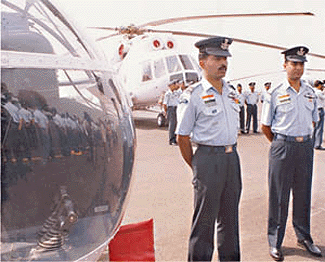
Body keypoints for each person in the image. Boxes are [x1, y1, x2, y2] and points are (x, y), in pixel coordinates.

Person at [176, 36, 241, 261]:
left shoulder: (232, 92)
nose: (223, 63)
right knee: (204, 221)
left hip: (232, 159)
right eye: (217, 58)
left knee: (230, 219)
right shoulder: (193, 95)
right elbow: (182, 136)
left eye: (225, 58)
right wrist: (196, 164)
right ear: (202, 62)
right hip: (207, 159)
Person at [261, 46, 322, 261]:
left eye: (301, 64)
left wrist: (300, 140)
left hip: (305, 146)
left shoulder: (310, 92)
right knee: (279, 196)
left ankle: (304, 236)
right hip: (282, 147)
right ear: (284, 65)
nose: (298, 68)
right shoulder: (275, 92)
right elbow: (266, 126)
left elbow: (314, 120)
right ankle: (275, 241)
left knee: (304, 193)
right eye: (293, 63)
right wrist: (282, 143)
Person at [163, 79, 181, 145]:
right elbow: (165, 104)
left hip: (177, 108)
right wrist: (166, 112)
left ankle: (176, 139)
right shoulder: (168, 94)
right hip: (171, 109)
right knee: (172, 125)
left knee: (177, 124)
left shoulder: (178, 92)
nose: (175, 85)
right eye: (174, 84)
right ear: (170, 86)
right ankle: (171, 140)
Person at [313, 80, 325, 150]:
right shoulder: (319, 92)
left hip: (314, 110)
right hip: (320, 110)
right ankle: (317, 144)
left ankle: (313, 143)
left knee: (315, 128)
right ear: (319, 85)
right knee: (319, 128)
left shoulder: (313, 91)